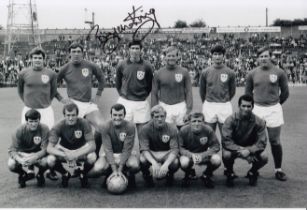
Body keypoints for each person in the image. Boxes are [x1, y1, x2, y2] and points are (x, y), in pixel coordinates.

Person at [245, 46, 289, 181]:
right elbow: (247, 94)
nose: (263, 59)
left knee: (275, 141)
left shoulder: (279, 72)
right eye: (261, 57)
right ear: (257, 59)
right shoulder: (252, 74)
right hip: (257, 109)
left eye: (265, 56)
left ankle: (278, 170)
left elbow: (285, 93)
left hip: (274, 109)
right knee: (256, 141)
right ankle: (254, 169)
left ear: (271, 57)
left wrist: (275, 104)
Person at [17, 47, 58, 181]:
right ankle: (28, 168)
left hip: (46, 110)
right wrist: (28, 103)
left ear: (43, 59)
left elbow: (53, 91)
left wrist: (45, 103)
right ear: (31, 59)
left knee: (48, 139)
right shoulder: (23, 73)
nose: (37, 60)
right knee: (28, 139)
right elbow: (20, 91)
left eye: (40, 58)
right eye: (35, 58)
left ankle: (48, 169)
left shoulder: (51, 74)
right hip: (28, 109)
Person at [115, 40, 154, 156]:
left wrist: (141, 96)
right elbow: (118, 83)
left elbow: (149, 85)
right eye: (132, 48)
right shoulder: (122, 64)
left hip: (141, 103)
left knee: (143, 134)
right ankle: (124, 160)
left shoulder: (147, 66)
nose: (135, 51)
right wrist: (123, 95)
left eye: (137, 48)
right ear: (129, 50)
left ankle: (144, 163)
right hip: (125, 102)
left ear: (141, 50)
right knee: (123, 133)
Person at [88, 104, 140, 188]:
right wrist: (114, 170)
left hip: (125, 154)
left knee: (135, 165)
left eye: (120, 115)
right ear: (111, 115)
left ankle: (127, 175)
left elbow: (127, 149)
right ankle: (108, 173)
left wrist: (119, 170)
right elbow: (108, 149)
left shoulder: (130, 126)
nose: (117, 118)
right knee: (97, 169)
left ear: (124, 115)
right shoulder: (105, 126)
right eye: (115, 115)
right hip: (109, 154)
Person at [56, 42, 105, 130]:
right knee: (73, 133)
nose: (76, 54)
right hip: (73, 104)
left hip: (89, 104)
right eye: (73, 51)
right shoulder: (65, 68)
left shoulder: (90, 65)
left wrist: (98, 94)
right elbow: (52, 85)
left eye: (78, 51)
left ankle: (97, 144)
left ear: (82, 53)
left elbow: (101, 78)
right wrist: (60, 99)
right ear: (69, 53)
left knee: (102, 127)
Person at [222, 94, 268, 187]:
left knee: (264, 156)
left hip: (251, 148)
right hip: (234, 148)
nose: (246, 109)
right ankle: (230, 172)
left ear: (252, 107)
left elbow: (262, 142)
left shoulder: (259, 122)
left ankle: (252, 172)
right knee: (226, 154)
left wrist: (249, 150)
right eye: (243, 106)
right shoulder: (230, 120)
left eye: (248, 106)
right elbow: (226, 140)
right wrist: (241, 149)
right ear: (239, 106)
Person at [47, 103, 97, 188]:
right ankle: (65, 173)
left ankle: (82, 173)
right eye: (68, 115)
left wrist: (76, 154)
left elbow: (92, 146)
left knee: (92, 157)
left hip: (80, 149)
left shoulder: (84, 123)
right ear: (64, 115)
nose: (70, 118)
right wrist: (65, 154)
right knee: (50, 160)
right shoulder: (58, 126)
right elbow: (49, 148)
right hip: (65, 150)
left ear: (77, 115)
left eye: (73, 115)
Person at [151, 46, 193, 129]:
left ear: (177, 57)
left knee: (184, 132)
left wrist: (188, 109)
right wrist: (154, 108)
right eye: (169, 56)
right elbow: (154, 92)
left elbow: (189, 91)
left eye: (173, 56)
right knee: (164, 134)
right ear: (165, 57)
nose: (171, 58)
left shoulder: (184, 71)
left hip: (181, 105)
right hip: (164, 105)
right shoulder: (158, 73)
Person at [139, 105, 180, 187]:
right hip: (152, 152)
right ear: (152, 117)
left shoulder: (172, 128)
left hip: (166, 152)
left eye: (162, 116)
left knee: (175, 162)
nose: (160, 119)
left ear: (165, 116)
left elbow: (175, 149)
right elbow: (144, 149)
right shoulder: (145, 129)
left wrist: (166, 165)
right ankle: (147, 175)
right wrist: (154, 163)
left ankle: (169, 175)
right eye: (157, 116)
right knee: (142, 159)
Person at [199, 44, 236, 134]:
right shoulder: (205, 72)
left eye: (220, 54)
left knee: (226, 136)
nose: (217, 56)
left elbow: (232, 91)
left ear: (223, 56)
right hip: (209, 105)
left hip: (224, 106)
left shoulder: (230, 72)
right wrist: (206, 102)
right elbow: (202, 90)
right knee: (208, 135)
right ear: (212, 56)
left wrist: (225, 99)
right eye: (215, 54)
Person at [8, 109, 49, 188]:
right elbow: (12, 150)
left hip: (37, 154)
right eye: (31, 121)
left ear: (39, 120)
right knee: (11, 164)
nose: (33, 124)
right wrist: (20, 160)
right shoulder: (18, 130)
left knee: (48, 161)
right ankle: (22, 174)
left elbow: (45, 149)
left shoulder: (44, 128)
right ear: (26, 121)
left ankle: (40, 174)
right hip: (22, 155)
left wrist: (35, 157)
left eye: (36, 121)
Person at [179, 112, 221, 188]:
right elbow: (180, 148)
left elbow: (216, 146)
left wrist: (202, 155)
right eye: (194, 121)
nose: (197, 123)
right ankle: (188, 174)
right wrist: (191, 155)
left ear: (203, 122)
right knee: (184, 162)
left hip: (203, 155)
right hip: (189, 156)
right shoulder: (183, 130)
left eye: (199, 121)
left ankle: (206, 174)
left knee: (217, 160)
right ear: (189, 122)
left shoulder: (208, 129)